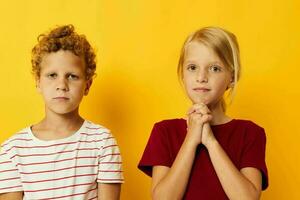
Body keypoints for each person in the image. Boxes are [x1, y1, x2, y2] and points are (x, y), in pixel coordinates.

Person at [138, 27, 268, 199]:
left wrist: (210, 141)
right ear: (182, 75)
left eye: (214, 68)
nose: (201, 77)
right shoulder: (164, 131)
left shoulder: (250, 133)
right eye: (192, 67)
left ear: (232, 77)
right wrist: (191, 139)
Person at [0, 25, 123, 200]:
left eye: (72, 76)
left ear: (87, 86)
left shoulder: (102, 142)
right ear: (38, 83)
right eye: (52, 75)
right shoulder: (12, 150)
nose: (62, 85)